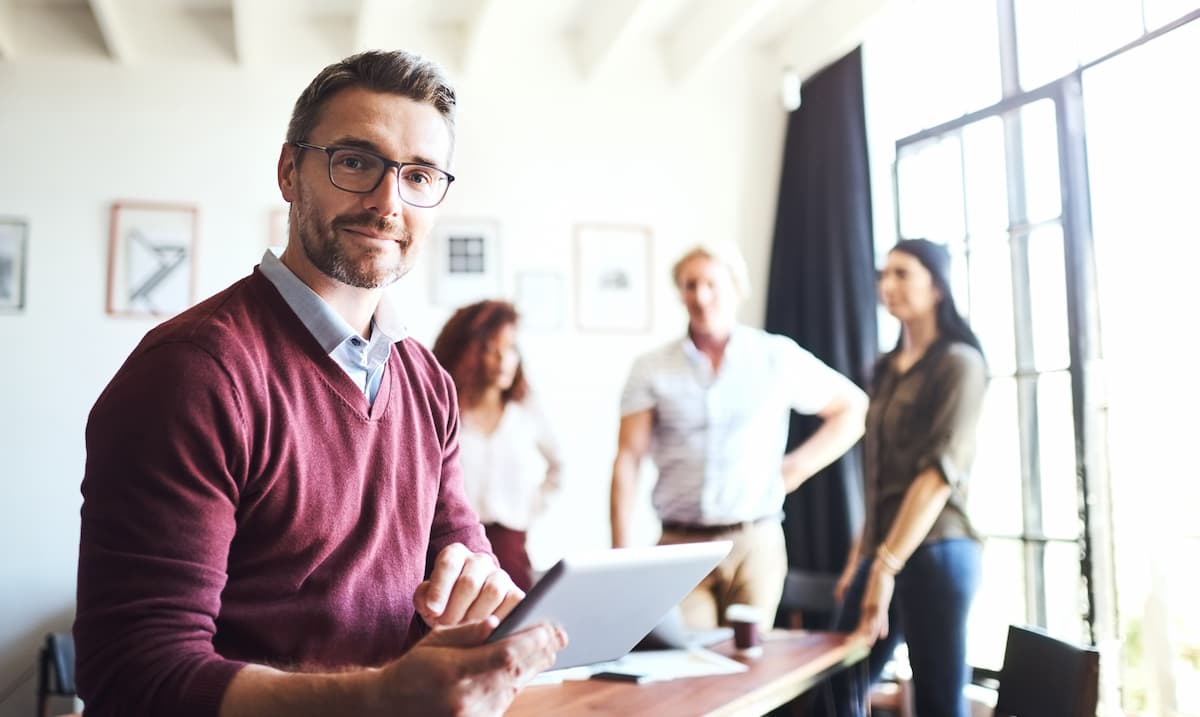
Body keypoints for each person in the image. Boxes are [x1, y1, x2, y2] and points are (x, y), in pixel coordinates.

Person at [74, 50, 565, 717]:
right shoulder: (192, 371)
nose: (388, 202)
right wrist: (380, 697)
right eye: (356, 161)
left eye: (418, 174)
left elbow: (465, 551)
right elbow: (132, 675)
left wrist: (478, 589)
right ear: (289, 171)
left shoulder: (426, 381)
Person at [610, 241, 868, 630]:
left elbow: (852, 408)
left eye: (711, 283)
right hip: (680, 546)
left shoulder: (775, 356)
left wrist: (796, 467)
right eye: (690, 285)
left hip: (755, 543)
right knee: (690, 672)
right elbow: (628, 459)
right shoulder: (650, 368)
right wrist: (621, 554)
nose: (701, 295)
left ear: (736, 288)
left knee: (748, 670)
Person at [828, 239, 987, 717]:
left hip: (938, 551)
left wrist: (883, 567)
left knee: (939, 702)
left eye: (902, 273)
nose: (887, 285)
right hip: (883, 551)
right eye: (883, 274)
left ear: (936, 286)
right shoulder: (887, 369)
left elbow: (938, 475)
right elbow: (879, 478)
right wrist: (861, 558)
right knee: (837, 690)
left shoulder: (959, 363)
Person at [432, 300, 563, 591]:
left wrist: (530, 508)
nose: (504, 360)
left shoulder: (526, 409)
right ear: (467, 351)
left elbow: (559, 466)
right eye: (492, 349)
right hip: (452, 555)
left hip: (511, 549)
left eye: (512, 348)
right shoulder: (444, 409)